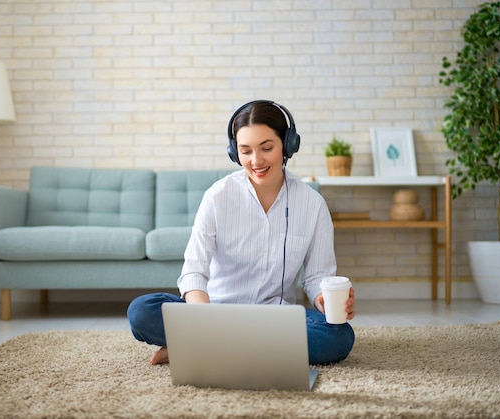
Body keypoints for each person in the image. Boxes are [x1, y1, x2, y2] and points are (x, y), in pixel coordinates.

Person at [127, 100, 355, 365]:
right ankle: (244, 346)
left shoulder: (312, 204)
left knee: (339, 336)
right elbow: (193, 273)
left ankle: (199, 347)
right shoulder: (217, 196)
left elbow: (317, 277)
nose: (256, 161)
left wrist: (323, 299)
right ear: (235, 153)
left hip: (275, 318)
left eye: (266, 148)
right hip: (214, 313)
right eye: (245, 151)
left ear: (288, 144)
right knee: (142, 311)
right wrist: (204, 319)